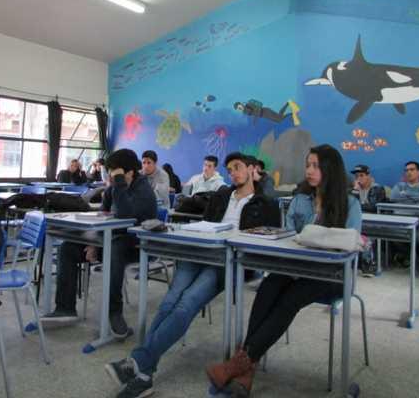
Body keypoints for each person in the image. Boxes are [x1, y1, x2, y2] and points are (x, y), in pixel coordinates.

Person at [104, 152, 279, 398]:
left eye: (238, 168)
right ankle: (144, 371)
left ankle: (139, 365)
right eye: (230, 170)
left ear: (252, 169)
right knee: (169, 301)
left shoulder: (266, 202)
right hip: (199, 252)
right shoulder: (222, 195)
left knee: (186, 304)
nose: (233, 173)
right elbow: (206, 224)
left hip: (227, 261)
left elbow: (269, 239)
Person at [205, 144, 361, 398]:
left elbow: (349, 243)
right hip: (297, 267)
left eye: (315, 166)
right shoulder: (301, 199)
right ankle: (247, 369)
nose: (309, 171)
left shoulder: (350, 203)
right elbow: (290, 235)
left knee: (290, 298)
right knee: (269, 287)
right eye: (307, 165)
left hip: (332, 275)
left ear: (330, 170)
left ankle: (240, 363)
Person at [41, 149, 157, 336]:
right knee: (68, 249)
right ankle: (65, 308)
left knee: (116, 250)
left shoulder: (144, 190)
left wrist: (118, 184)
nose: (110, 177)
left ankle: (115, 313)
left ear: (129, 172)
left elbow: (126, 217)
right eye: (110, 173)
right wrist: (95, 242)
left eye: (115, 173)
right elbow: (102, 216)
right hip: (109, 240)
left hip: (137, 246)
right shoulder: (115, 186)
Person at [389, 161, 419, 267]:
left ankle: (405, 256)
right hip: (398, 219)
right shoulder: (399, 185)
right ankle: (409, 256)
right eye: (406, 170)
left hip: (417, 221)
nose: (408, 172)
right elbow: (393, 197)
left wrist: (405, 194)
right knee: (389, 234)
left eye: (412, 170)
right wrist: (415, 197)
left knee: (415, 237)